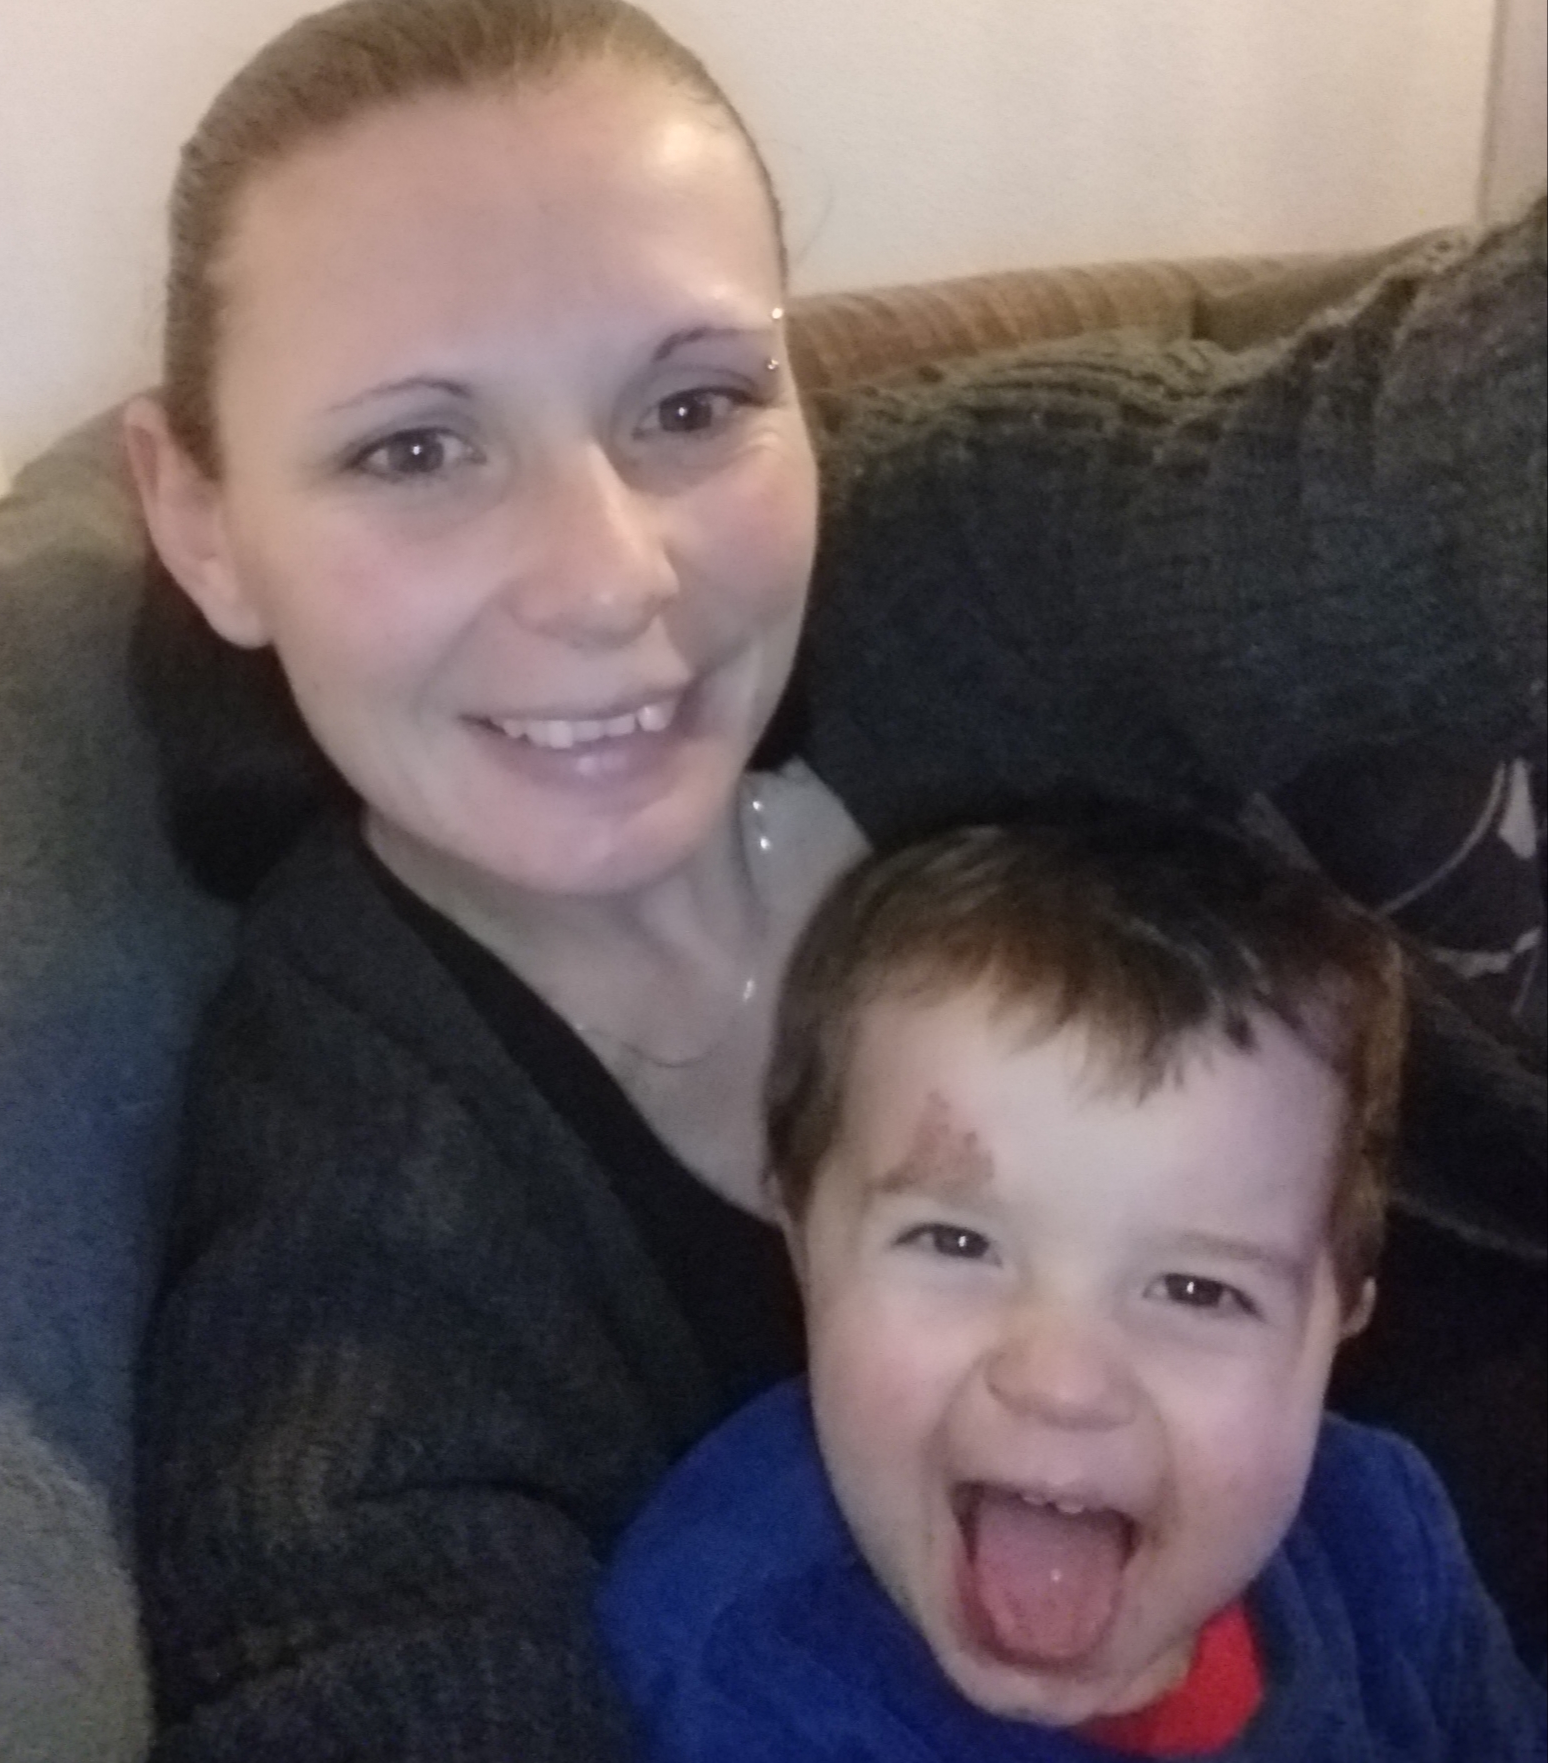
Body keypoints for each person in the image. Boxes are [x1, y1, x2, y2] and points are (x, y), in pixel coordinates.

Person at [122, 0, 1545, 1754]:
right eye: (412, 449)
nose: (605, 578)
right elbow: (358, 1633)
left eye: (693, 403)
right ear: (198, 519)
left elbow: (1401, 485)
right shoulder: (367, 1196)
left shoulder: (958, 577)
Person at [598, 808, 1547, 1759]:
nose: (1061, 1381)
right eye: (956, 1242)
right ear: (805, 1247)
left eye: (1196, 1290)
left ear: (1335, 1322)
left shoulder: (1378, 1538)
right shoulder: (747, 1683)